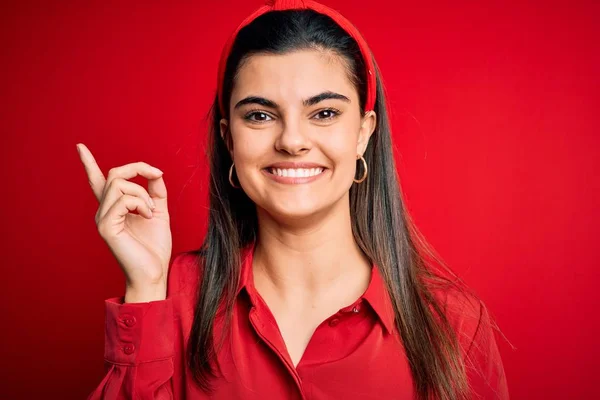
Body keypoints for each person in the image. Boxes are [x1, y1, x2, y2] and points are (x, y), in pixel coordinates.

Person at [79, 0, 509, 398]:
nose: (292, 140)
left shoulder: (453, 322)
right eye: (260, 115)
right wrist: (145, 287)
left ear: (363, 132)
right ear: (229, 139)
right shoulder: (167, 299)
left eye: (324, 113)